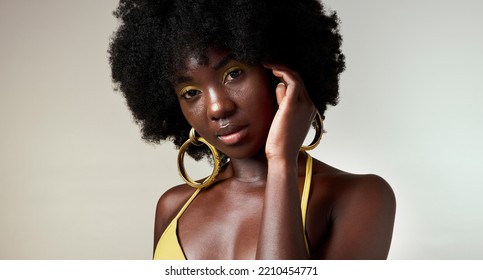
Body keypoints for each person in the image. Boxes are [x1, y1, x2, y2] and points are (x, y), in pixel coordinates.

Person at [108, 0, 396, 260]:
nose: (217, 108)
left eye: (233, 74)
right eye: (191, 92)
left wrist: (281, 161)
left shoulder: (360, 197)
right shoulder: (172, 207)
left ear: (282, 73)